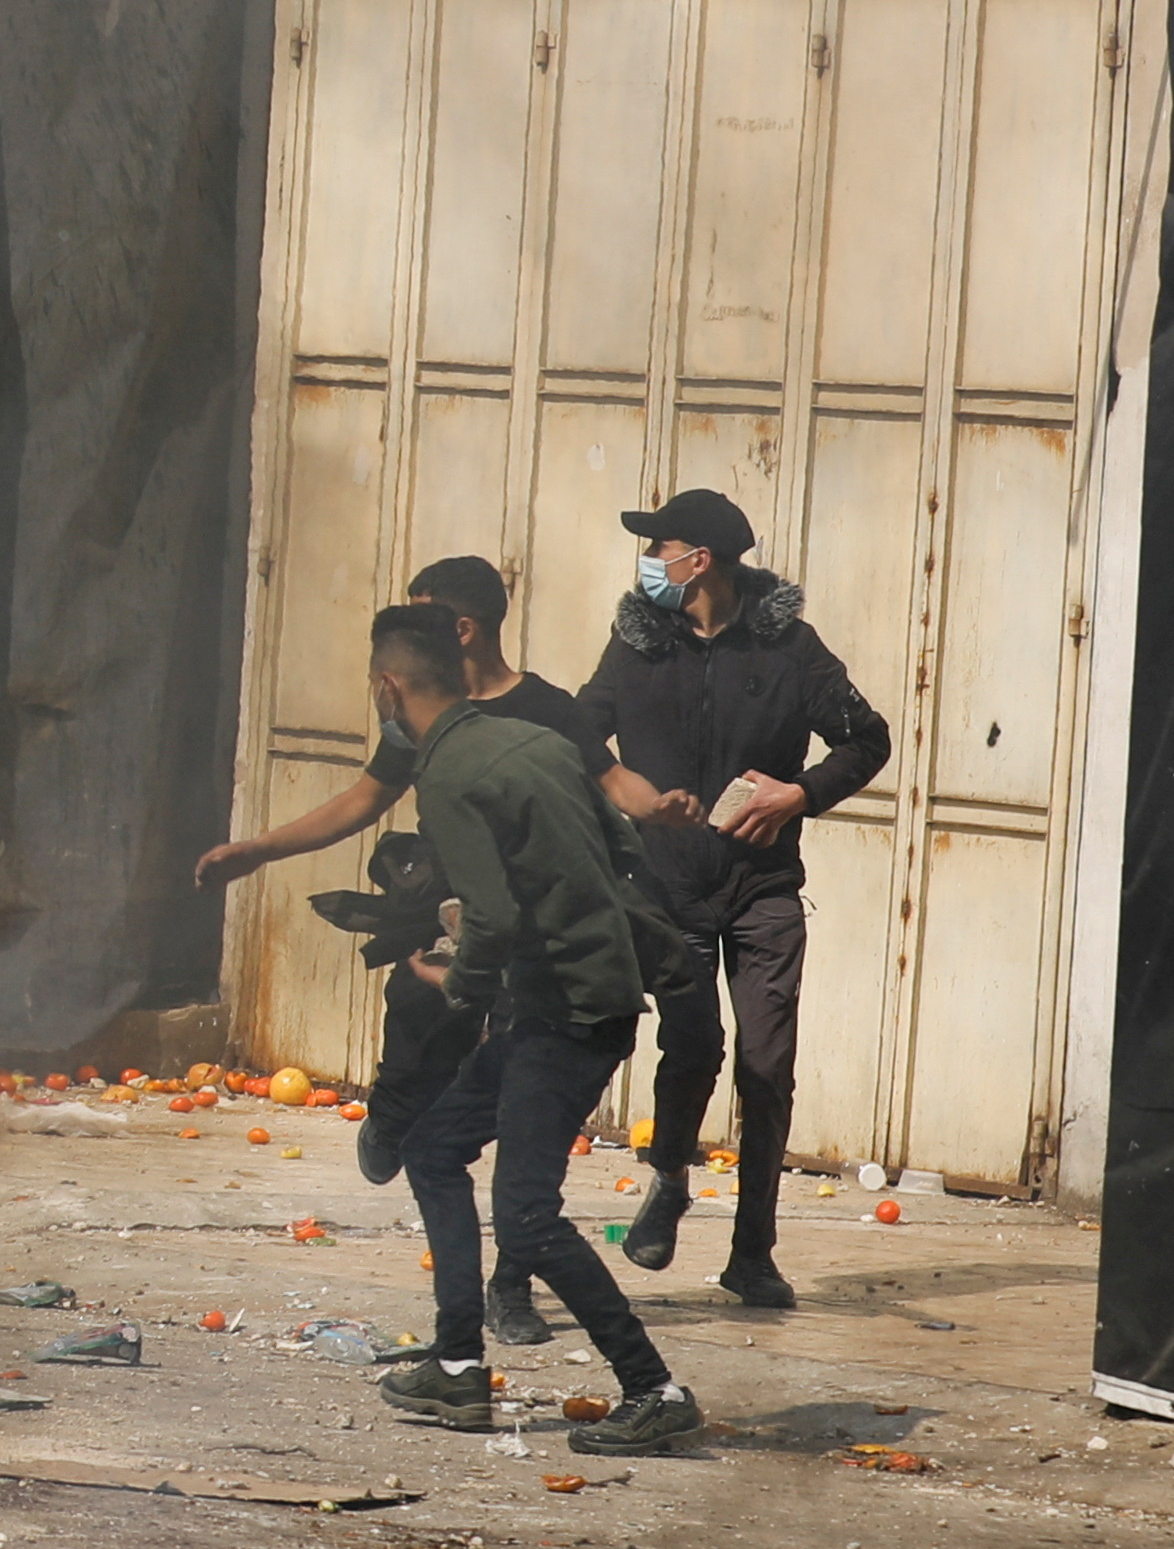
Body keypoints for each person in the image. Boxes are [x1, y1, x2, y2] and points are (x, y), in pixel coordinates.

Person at [188, 557, 671, 1348]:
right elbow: (363, 798)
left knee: (519, 1166)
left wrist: (665, 812)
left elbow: (605, 794)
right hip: (473, 939)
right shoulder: (422, 734)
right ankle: (452, 1333)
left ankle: (516, 1296)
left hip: (529, 961)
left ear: (458, 631)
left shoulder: (534, 721)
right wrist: (261, 849)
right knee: (426, 1095)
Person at [361, 600, 700, 1453]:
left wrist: (456, 984)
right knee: (435, 1148)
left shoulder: (449, 775)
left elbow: (495, 912)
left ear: (387, 686)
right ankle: (458, 1365)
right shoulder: (536, 742)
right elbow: (613, 859)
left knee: (526, 1219)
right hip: (577, 995)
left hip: (567, 1013)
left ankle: (652, 1386)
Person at [571, 484, 888, 1311]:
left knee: (766, 1063)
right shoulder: (638, 642)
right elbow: (578, 727)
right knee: (692, 1044)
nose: (651, 563)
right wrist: (629, 792)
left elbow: (868, 735)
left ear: (698, 560)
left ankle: (754, 1251)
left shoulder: (790, 648)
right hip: (668, 886)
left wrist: (801, 794)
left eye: (660, 547)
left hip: (763, 887)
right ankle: (669, 1177)